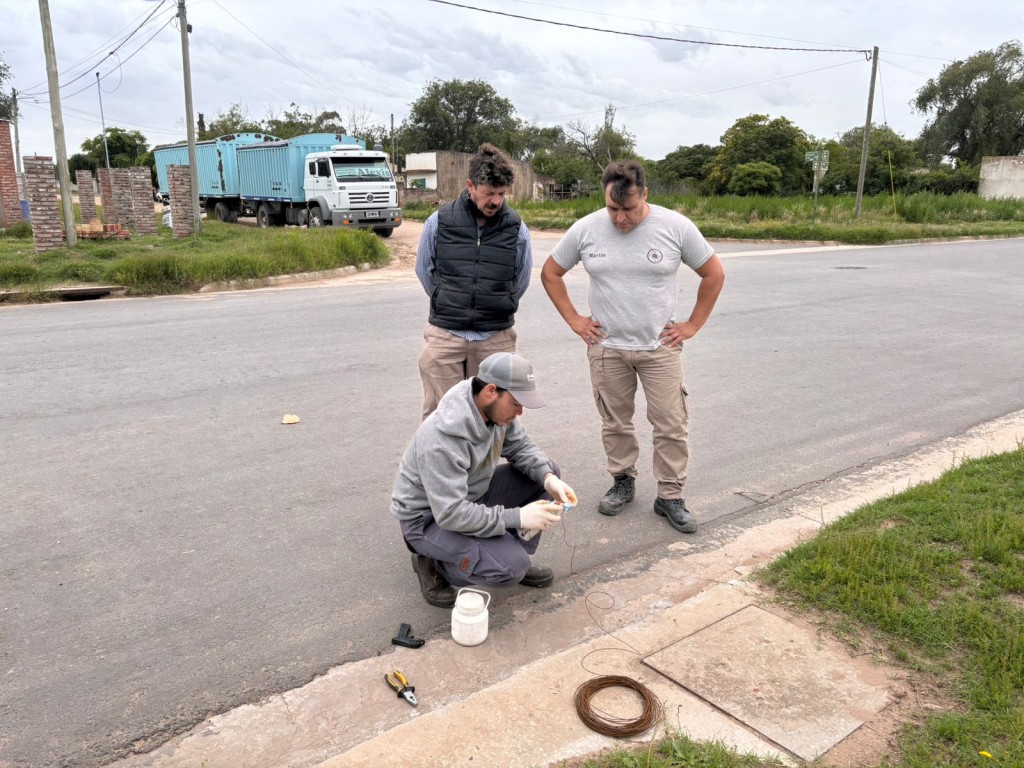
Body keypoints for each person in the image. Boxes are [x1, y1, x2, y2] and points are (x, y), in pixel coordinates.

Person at [540, 160, 725, 534]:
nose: (620, 219)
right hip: (607, 348)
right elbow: (550, 272)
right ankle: (622, 481)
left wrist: (692, 325)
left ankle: (670, 496)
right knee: (615, 421)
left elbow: (713, 272)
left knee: (671, 423)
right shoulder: (587, 228)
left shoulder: (675, 227)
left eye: (629, 209)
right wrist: (575, 320)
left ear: (646, 196)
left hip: (659, 348)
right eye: (613, 209)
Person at [391, 352, 577, 608]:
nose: (520, 411)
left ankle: (504, 552)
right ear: (491, 390)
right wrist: (518, 517)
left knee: (548, 471)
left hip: (469, 496)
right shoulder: (441, 441)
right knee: (510, 569)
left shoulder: (494, 411)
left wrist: (547, 479)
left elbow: (520, 445)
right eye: (516, 402)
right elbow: (451, 513)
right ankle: (433, 561)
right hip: (429, 520)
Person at [415, 143, 533, 419]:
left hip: (495, 338)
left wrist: (499, 302)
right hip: (446, 335)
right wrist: (448, 298)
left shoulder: (516, 228)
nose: (496, 201)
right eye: (489, 193)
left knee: (496, 416)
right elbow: (424, 269)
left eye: (502, 194)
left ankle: (486, 464)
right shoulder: (439, 221)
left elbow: (522, 278)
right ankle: (443, 464)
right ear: (470, 185)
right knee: (442, 416)